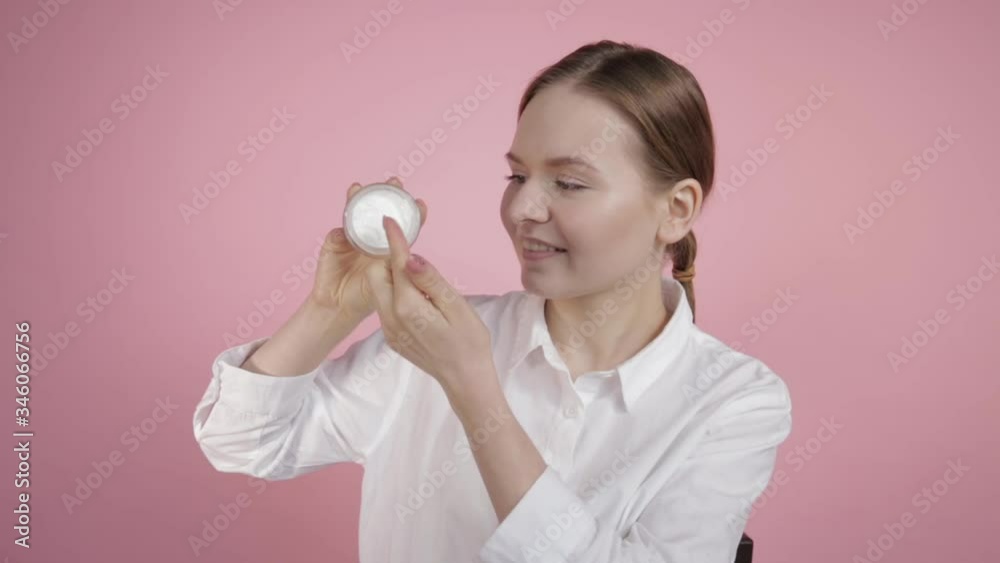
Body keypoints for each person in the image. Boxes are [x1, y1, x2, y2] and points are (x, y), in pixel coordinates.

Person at [193, 39, 792, 563]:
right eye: (516, 177)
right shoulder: (428, 340)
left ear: (676, 209)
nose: (524, 209)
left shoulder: (734, 401)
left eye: (569, 183)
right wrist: (330, 311)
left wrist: (474, 389)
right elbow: (242, 442)